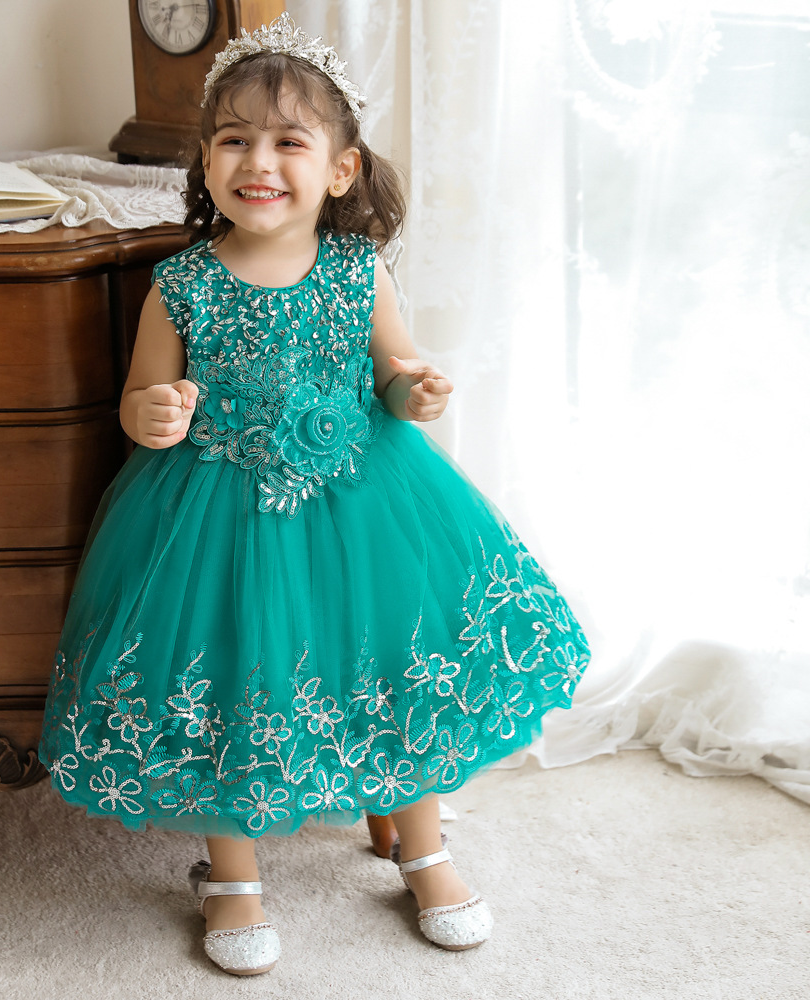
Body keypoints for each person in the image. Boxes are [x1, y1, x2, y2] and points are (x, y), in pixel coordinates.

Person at [39, 12, 590, 976]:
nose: (258, 161)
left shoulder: (356, 272)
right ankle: (231, 873)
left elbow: (394, 370)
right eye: (233, 139)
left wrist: (413, 390)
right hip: (216, 511)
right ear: (206, 163)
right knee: (229, 677)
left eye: (288, 141)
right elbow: (138, 398)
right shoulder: (183, 285)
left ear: (340, 169)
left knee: (395, 660)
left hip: (363, 502)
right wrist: (153, 413)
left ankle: (422, 847)